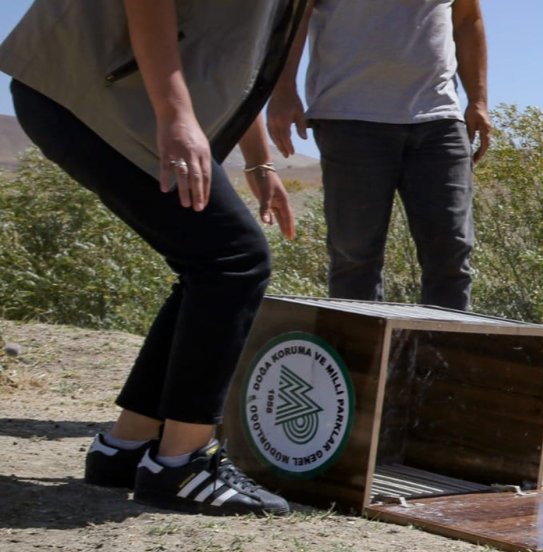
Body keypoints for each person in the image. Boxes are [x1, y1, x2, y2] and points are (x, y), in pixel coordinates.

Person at [0, 0, 308, 516]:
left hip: (100, 92)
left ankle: (128, 447)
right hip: (97, 90)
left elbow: (240, 53)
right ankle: (182, 463)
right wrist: (175, 114)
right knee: (233, 259)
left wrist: (257, 160)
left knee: (212, 261)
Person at [268, 0, 492, 310]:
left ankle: (443, 355)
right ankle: (358, 356)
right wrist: (282, 89)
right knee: (355, 257)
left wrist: (478, 100)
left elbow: (467, 18)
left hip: (439, 118)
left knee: (451, 252)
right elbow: (296, 13)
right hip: (349, 116)